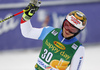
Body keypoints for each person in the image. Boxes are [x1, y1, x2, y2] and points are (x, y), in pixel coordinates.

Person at [20, 2, 87, 70]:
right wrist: (26, 16)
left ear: (78, 32)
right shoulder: (49, 31)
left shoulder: (78, 49)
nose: (67, 30)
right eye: (67, 25)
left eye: (72, 29)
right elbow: (27, 32)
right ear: (63, 22)